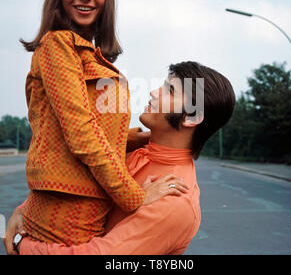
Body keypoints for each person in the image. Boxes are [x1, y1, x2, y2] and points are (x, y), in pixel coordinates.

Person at [12, 0, 188, 249]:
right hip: (67, 206)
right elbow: (80, 132)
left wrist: (146, 138)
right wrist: (136, 196)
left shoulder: (97, 60)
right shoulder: (57, 44)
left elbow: (103, 133)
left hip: (91, 202)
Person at [4, 61, 236, 255]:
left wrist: (21, 244)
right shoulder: (129, 150)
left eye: (170, 91)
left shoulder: (175, 201)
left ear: (192, 118)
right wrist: (24, 210)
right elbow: (73, 186)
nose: (153, 92)